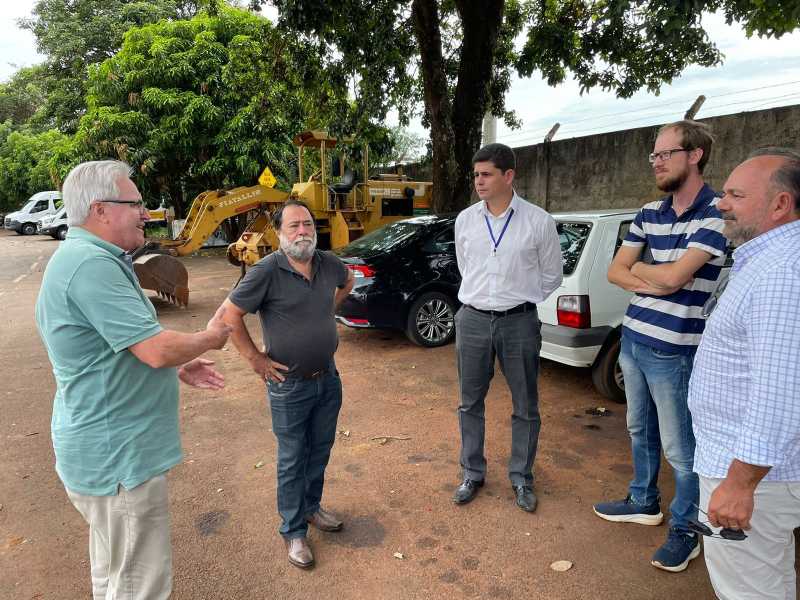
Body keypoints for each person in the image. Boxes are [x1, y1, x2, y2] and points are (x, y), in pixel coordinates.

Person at [35, 160, 231, 600]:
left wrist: (177, 367)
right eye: (136, 203)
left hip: (105, 455)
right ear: (101, 210)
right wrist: (208, 338)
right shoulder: (90, 265)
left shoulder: (87, 258)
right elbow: (155, 347)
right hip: (117, 459)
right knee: (139, 585)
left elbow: (118, 347)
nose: (146, 212)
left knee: (113, 574)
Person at [592, 120, 728, 572]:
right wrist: (662, 274)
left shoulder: (716, 213)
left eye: (666, 153)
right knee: (639, 430)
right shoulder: (650, 211)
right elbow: (617, 271)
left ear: (694, 156)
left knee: (681, 448)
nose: (657, 162)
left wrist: (651, 269)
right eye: (654, 155)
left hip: (675, 350)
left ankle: (686, 530)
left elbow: (671, 276)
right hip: (633, 338)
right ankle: (643, 500)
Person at [688, 147, 800, 599]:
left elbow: (781, 392)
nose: (720, 202)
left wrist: (739, 484)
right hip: (754, 466)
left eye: (735, 194)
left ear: (780, 204)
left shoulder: (781, 274)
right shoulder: (769, 260)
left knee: (751, 591)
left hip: (753, 474)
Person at [220, 199, 354, 569]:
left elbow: (349, 281)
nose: (302, 232)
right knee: (293, 458)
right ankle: (294, 531)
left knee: (320, 450)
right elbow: (231, 315)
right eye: (293, 226)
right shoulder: (265, 271)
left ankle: (312, 509)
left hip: (328, 379)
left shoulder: (328, 263)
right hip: (289, 386)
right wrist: (255, 359)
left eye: (307, 224)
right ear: (279, 234)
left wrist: (329, 309)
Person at [451, 143, 563, 512]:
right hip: (472, 319)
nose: (478, 181)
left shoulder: (538, 221)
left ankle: (521, 477)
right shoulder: (466, 220)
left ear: (508, 176)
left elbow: (551, 276)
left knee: (526, 405)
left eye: (486, 174)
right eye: (476, 175)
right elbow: (465, 266)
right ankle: (472, 472)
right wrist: (485, 299)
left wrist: (519, 298)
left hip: (519, 322)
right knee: (469, 402)